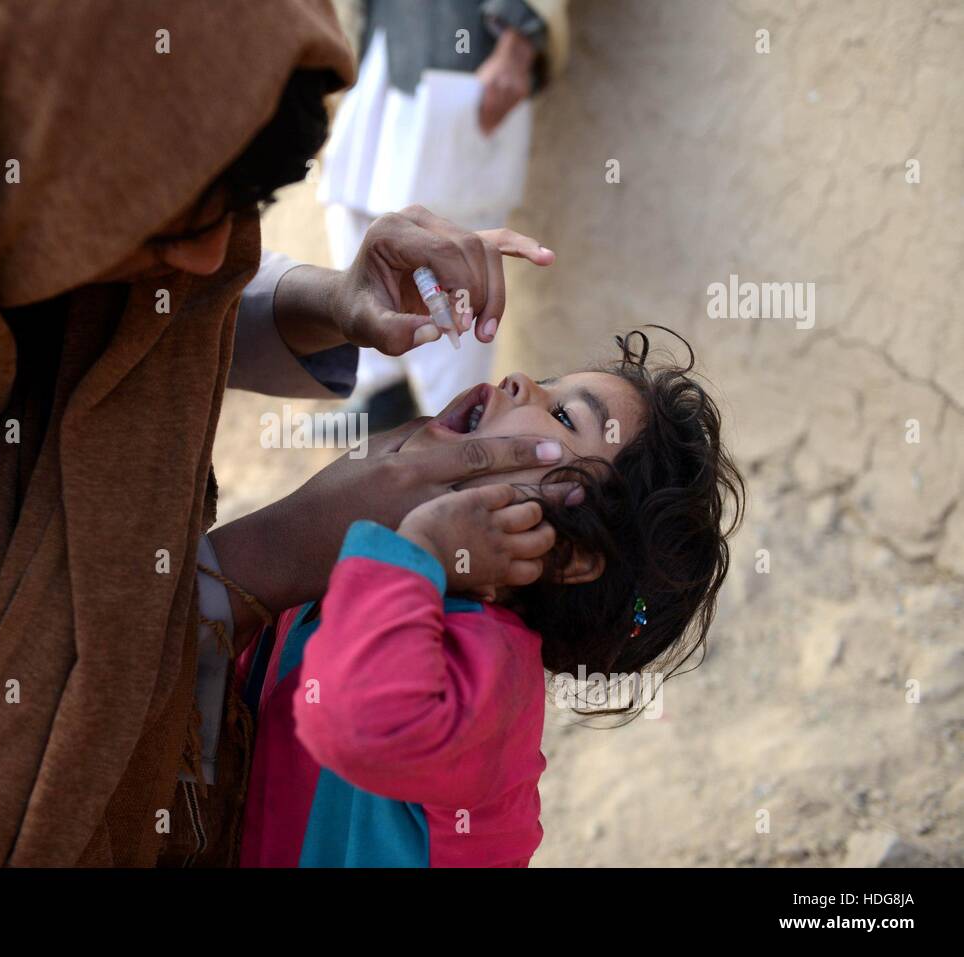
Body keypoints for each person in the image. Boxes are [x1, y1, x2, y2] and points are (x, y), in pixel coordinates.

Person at [0, 0, 563, 866]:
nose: (213, 262)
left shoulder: (35, 118)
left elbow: (132, 291)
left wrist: (330, 300)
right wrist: (276, 554)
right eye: (180, 219)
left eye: (235, 215)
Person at [235, 330, 747, 866]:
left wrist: (422, 552)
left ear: (572, 554)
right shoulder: (377, 566)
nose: (518, 380)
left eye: (565, 416)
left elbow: (356, 726)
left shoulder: (488, 665)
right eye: (547, 384)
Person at [320, 0, 572, 423]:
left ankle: (458, 431)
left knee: (449, 242)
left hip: (466, 52)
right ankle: (383, 401)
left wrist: (518, 42)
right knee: (352, 209)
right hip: (378, 46)